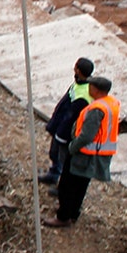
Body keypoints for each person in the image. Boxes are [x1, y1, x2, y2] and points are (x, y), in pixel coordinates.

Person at [44, 75, 117, 227]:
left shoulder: (97, 109)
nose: (88, 88)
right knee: (80, 186)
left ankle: (63, 217)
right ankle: (73, 213)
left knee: (67, 185)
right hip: (96, 154)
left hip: (85, 154)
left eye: (90, 86)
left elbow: (86, 136)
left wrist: (72, 147)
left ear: (96, 90)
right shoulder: (111, 104)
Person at [38, 57, 95, 186]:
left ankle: (62, 186)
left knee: (63, 159)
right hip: (60, 128)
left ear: (79, 70)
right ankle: (53, 174)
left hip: (65, 133)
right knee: (54, 154)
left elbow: (71, 117)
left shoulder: (85, 94)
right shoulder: (79, 83)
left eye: (75, 67)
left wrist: (62, 134)